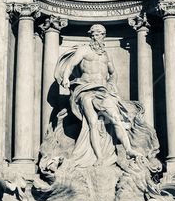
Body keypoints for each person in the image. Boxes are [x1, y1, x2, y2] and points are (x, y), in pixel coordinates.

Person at [55, 24, 139, 166]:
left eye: (98, 34)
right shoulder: (84, 50)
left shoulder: (106, 54)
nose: (95, 37)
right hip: (86, 90)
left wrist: (112, 85)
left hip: (103, 91)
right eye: (93, 34)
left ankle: (129, 149)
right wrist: (65, 78)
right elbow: (71, 65)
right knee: (92, 123)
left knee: (116, 119)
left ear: (103, 36)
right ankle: (99, 157)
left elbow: (113, 72)